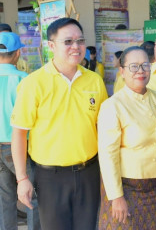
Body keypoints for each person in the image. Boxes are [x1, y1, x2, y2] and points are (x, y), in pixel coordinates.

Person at [11, 18, 108, 230]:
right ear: (51, 45)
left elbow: (103, 129)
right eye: (68, 41)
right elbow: (19, 133)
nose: (76, 46)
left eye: (80, 40)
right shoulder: (33, 83)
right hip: (50, 178)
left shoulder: (95, 81)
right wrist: (22, 179)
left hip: (89, 172)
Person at [97, 46, 156, 230]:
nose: (140, 71)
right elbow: (107, 154)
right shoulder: (113, 105)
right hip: (126, 186)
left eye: (145, 65)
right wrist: (116, 196)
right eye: (133, 66)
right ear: (122, 71)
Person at [0, 32, 40, 230]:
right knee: (31, 196)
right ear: (18, 54)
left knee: (5, 199)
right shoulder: (26, 80)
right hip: (19, 148)